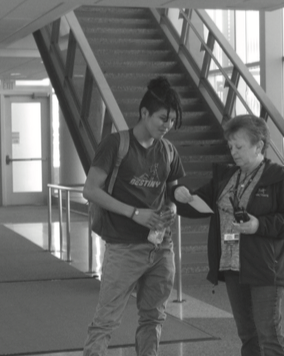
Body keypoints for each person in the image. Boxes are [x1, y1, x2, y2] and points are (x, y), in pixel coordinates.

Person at [172, 114, 284, 356]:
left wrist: (259, 225)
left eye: (239, 146)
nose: (233, 152)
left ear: (259, 146)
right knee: (247, 334)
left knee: (269, 334)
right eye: (230, 146)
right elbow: (197, 201)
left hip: (265, 268)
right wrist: (180, 194)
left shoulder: (279, 178)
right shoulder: (227, 176)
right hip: (233, 266)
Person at [82, 76, 184, 356]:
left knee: (153, 318)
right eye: (163, 118)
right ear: (144, 113)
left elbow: (174, 194)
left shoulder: (168, 151)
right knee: (106, 322)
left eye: (172, 120)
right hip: (124, 247)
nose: (168, 125)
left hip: (160, 247)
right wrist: (134, 213)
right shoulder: (116, 144)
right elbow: (90, 189)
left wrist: (172, 209)